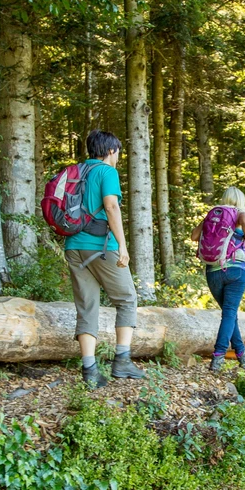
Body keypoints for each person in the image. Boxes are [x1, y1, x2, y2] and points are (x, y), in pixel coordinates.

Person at [64, 130, 144, 388]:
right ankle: (122, 360)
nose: (118, 156)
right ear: (111, 151)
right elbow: (111, 206)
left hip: (73, 246)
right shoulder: (107, 172)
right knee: (127, 299)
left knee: (87, 306)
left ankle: (90, 370)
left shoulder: (76, 171)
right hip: (100, 246)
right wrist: (122, 245)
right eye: (118, 151)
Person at [191, 186, 245, 372]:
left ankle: (242, 354)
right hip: (235, 270)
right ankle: (218, 356)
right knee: (229, 313)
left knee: (230, 313)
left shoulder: (213, 216)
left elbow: (194, 236)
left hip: (213, 272)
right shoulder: (238, 212)